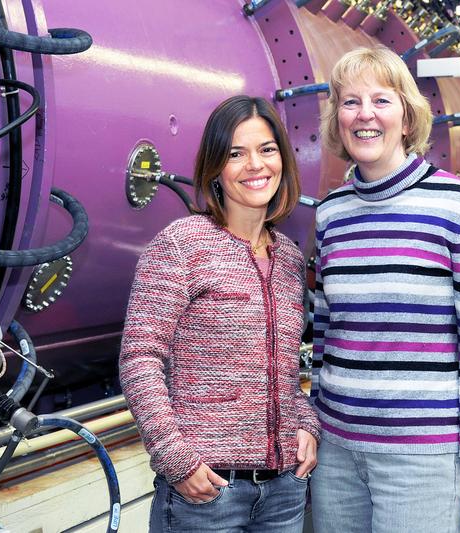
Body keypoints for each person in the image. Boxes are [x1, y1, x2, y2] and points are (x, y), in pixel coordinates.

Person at [309, 46, 460, 532]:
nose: (365, 115)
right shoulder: (330, 213)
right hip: (336, 452)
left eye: (381, 99)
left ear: (407, 114)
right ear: (337, 119)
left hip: (424, 457)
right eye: (350, 102)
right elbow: (324, 334)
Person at [119, 95, 320, 533]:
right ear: (215, 168)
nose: (255, 165)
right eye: (235, 153)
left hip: (285, 492)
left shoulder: (287, 256)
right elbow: (140, 358)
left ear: (283, 159)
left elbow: (285, 367)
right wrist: (175, 457)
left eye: (267, 150)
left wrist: (306, 424)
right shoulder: (182, 244)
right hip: (208, 492)